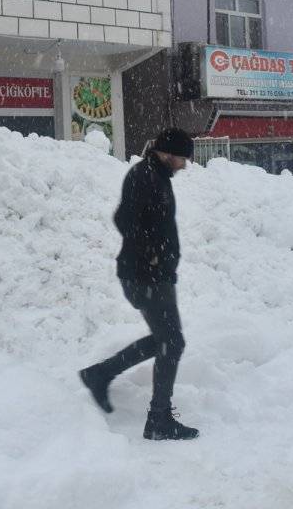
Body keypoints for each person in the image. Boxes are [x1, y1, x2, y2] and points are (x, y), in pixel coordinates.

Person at [79, 127, 199, 441]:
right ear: (168, 152)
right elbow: (123, 219)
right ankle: (158, 419)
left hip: (152, 276)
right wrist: (153, 255)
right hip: (145, 276)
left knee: (166, 339)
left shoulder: (156, 176)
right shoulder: (144, 176)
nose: (185, 165)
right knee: (172, 342)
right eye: (183, 158)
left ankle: (100, 373)